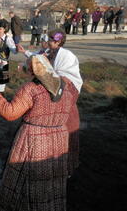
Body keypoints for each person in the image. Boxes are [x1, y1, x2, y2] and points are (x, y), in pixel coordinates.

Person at [0, 55, 79, 211]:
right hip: (58, 140)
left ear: (32, 70)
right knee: (52, 181)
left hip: (34, 139)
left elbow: (10, 113)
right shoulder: (65, 87)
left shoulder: (31, 89)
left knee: (24, 180)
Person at [46, 29, 83, 176]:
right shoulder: (50, 53)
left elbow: (64, 76)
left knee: (68, 131)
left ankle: (67, 167)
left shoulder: (67, 56)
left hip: (66, 97)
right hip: (56, 95)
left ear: (58, 41)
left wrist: (52, 78)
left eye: (50, 39)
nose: (47, 41)